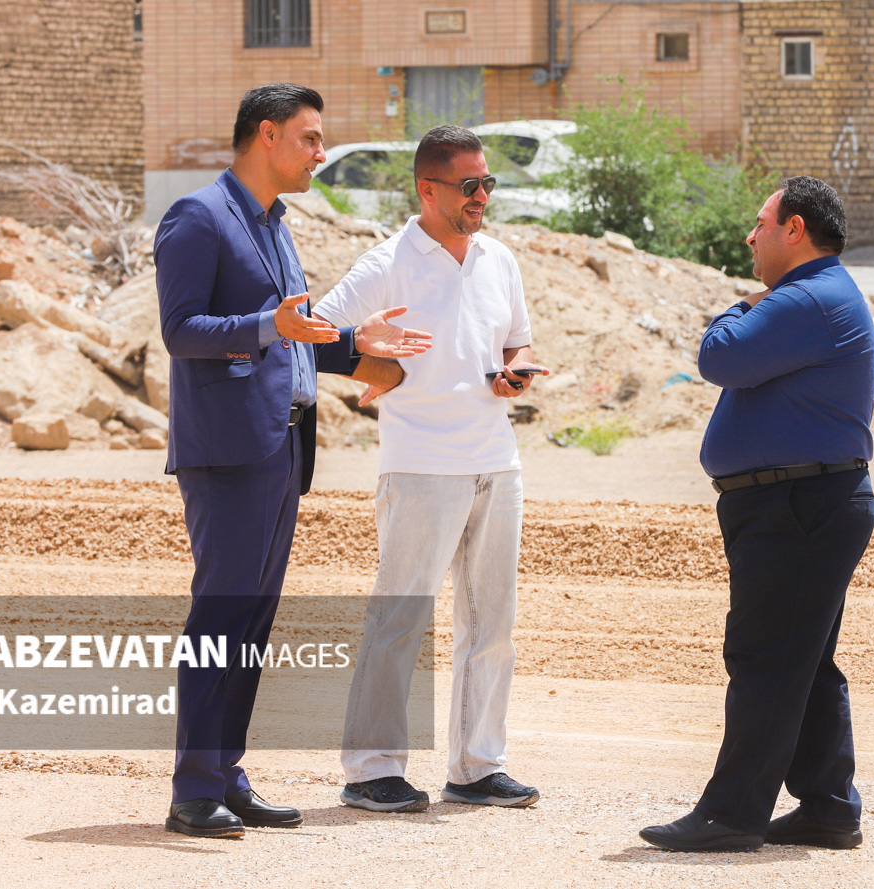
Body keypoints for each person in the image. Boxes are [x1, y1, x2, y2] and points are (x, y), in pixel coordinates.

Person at [155, 82, 432, 839]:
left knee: (251, 620)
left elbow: (292, 331)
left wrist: (353, 345)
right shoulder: (197, 216)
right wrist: (268, 325)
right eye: (311, 138)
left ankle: (227, 776)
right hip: (228, 450)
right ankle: (193, 791)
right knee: (221, 616)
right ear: (267, 134)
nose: (320, 152)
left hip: (281, 447)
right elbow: (181, 330)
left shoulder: (276, 223)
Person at [639, 176, 874, 853]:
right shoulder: (816, 294)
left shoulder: (806, 297)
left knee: (766, 657)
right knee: (804, 660)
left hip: (796, 504)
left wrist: (738, 307)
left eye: (761, 223)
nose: (750, 237)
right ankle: (828, 807)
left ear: (794, 230)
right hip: (800, 500)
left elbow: (719, 357)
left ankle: (732, 812)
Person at [312, 125, 547, 814]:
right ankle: (370, 770)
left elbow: (517, 340)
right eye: (469, 185)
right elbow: (313, 333)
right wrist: (370, 362)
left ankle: (476, 766)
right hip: (418, 466)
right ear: (428, 189)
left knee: (491, 625)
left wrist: (515, 371)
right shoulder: (385, 264)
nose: (482, 196)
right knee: (399, 621)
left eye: (487, 183)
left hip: (496, 463)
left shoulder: (500, 259)